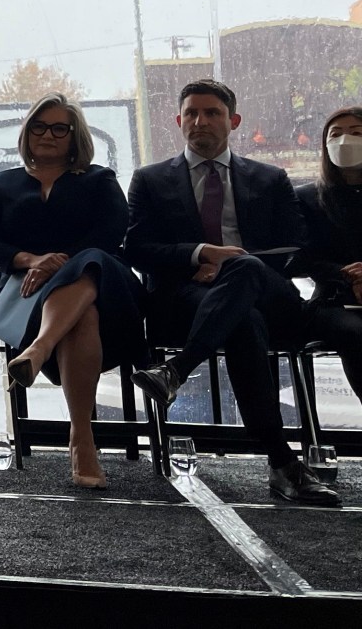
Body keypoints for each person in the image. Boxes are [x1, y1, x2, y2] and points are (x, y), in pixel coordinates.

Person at [125, 80, 340, 506]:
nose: (200, 121)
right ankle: (282, 464)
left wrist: (231, 264)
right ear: (179, 120)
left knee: (246, 270)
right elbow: (137, 249)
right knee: (242, 322)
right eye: (191, 113)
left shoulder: (270, 178)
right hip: (187, 297)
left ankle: (177, 370)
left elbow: (296, 248)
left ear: (233, 121)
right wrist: (200, 254)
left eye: (212, 113)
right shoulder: (150, 180)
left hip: (269, 294)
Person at [0, 94, 146, 489]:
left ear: (74, 136)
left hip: (107, 286)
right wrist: (34, 260)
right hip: (31, 292)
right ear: (27, 132)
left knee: (91, 261)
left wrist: (61, 263)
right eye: (39, 126)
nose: (47, 135)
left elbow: (111, 232)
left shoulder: (99, 179)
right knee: (83, 316)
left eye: (59, 128)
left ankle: (39, 350)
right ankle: (82, 439)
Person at [292, 106, 362, 401]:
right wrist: (349, 276)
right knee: (354, 333)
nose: (345, 140)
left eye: (356, 133)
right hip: (333, 301)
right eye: (336, 134)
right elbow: (300, 258)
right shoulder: (306, 198)